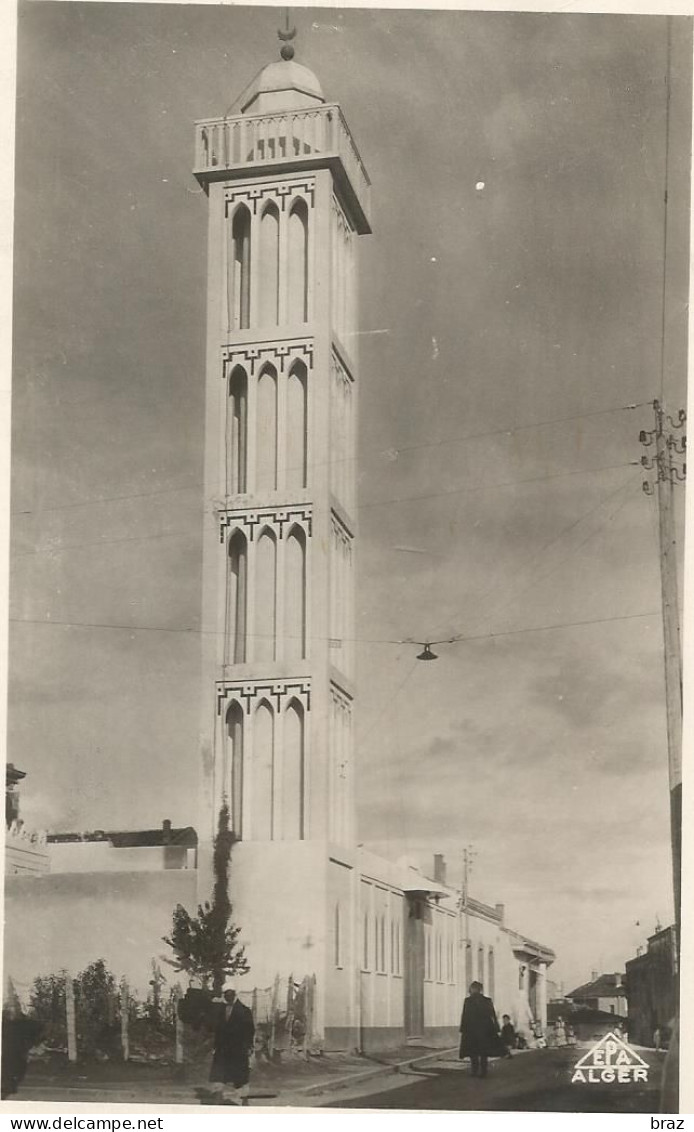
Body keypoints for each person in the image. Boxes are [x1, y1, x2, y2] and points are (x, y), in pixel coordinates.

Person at [209, 987, 255, 1105]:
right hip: (223, 1048)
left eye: (230, 994)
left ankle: (242, 1100)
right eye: (226, 994)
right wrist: (215, 1046)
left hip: (238, 1048)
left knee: (239, 1075)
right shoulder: (221, 1010)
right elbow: (218, 1030)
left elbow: (250, 1031)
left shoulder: (244, 1011)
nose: (228, 996)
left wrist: (248, 1047)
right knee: (219, 1074)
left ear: (235, 995)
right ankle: (218, 1099)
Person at [459, 981, 503, 1078]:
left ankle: (474, 1071)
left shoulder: (468, 1001)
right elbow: (493, 1015)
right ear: (480, 990)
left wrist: (463, 1029)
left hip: (472, 1030)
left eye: (471, 988)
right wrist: (496, 1027)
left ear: (474, 989)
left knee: (473, 1051)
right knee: (484, 1052)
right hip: (485, 1030)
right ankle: (483, 1072)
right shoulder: (487, 1000)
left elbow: (465, 1016)